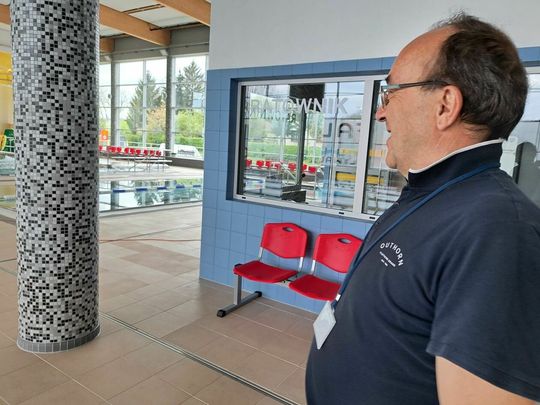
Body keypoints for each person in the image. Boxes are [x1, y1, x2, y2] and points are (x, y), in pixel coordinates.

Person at [306, 13, 540, 405]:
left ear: (445, 105)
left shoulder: (498, 230)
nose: (380, 113)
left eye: (390, 93)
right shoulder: (435, 192)